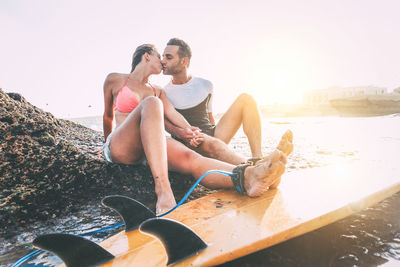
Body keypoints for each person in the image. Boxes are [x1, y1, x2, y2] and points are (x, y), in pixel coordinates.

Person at [102, 43, 291, 214]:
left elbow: (175, 116)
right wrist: (105, 143)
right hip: (123, 146)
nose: (162, 61)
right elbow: (108, 116)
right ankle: (163, 190)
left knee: (192, 158)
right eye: (159, 55)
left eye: (166, 57)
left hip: (149, 148)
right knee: (151, 104)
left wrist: (190, 131)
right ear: (146, 56)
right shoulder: (116, 79)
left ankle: (250, 176)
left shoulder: (158, 90)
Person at [162, 38, 266, 166]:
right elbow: (167, 126)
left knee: (246, 99)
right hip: (189, 143)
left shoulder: (205, 85)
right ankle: (249, 166)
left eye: (168, 57)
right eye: (163, 57)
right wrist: (187, 135)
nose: (163, 61)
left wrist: (221, 147)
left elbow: (210, 118)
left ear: (184, 61)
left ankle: (257, 159)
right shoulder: (164, 93)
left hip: (212, 136)